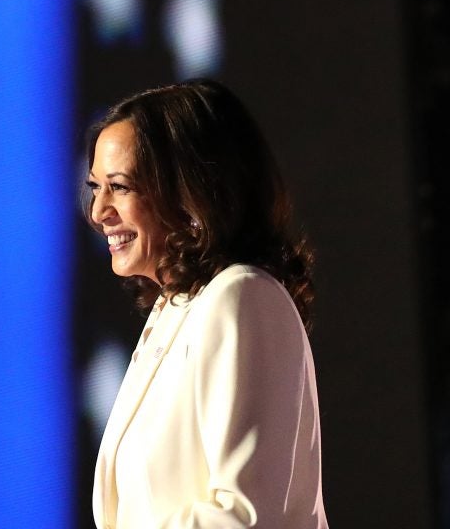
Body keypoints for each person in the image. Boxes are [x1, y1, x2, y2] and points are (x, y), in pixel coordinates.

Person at [84, 78, 329, 529]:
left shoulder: (242, 297)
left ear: (189, 191)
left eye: (119, 187)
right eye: (95, 187)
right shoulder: (175, 309)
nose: (99, 212)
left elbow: (242, 515)